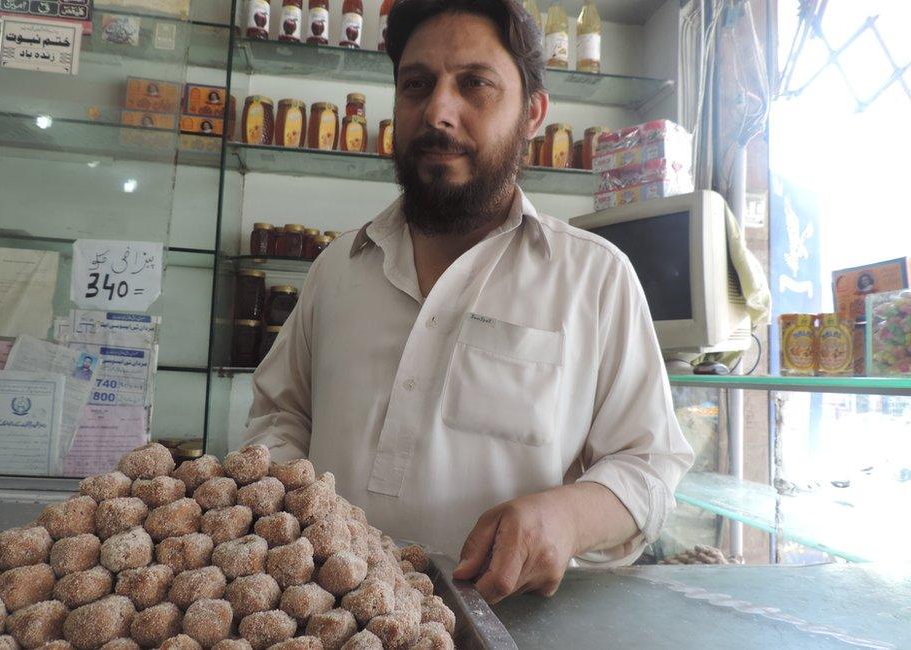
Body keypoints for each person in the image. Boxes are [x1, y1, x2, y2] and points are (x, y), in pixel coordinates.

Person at [246, 0, 693, 603]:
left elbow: (649, 463)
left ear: (532, 113)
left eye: (474, 84)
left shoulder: (594, 277)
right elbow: (281, 414)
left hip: (510, 622)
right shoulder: (336, 269)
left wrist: (566, 518)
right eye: (416, 85)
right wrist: (289, 523)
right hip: (326, 616)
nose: (438, 112)